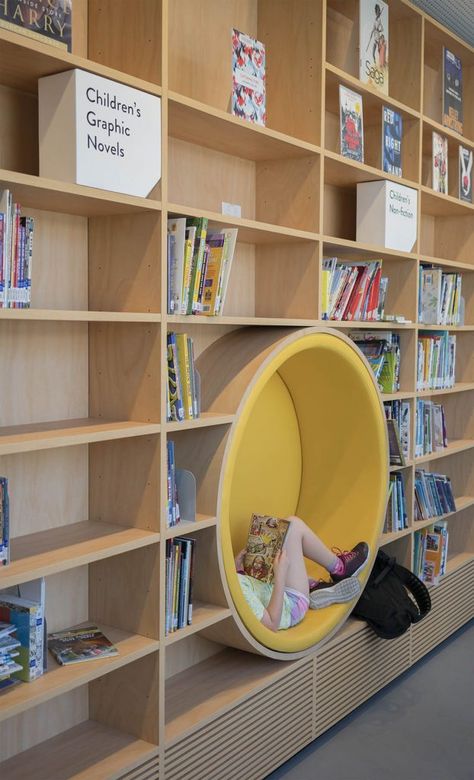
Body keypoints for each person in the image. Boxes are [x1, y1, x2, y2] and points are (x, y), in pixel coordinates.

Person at [235, 515, 369, 632]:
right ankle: (340, 568)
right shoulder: (240, 589)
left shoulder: (231, 585)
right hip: (291, 604)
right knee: (293, 526)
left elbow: (251, 594)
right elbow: (271, 624)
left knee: (283, 530)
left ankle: (313, 585)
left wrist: (239, 571)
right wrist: (280, 576)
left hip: (272, 588)